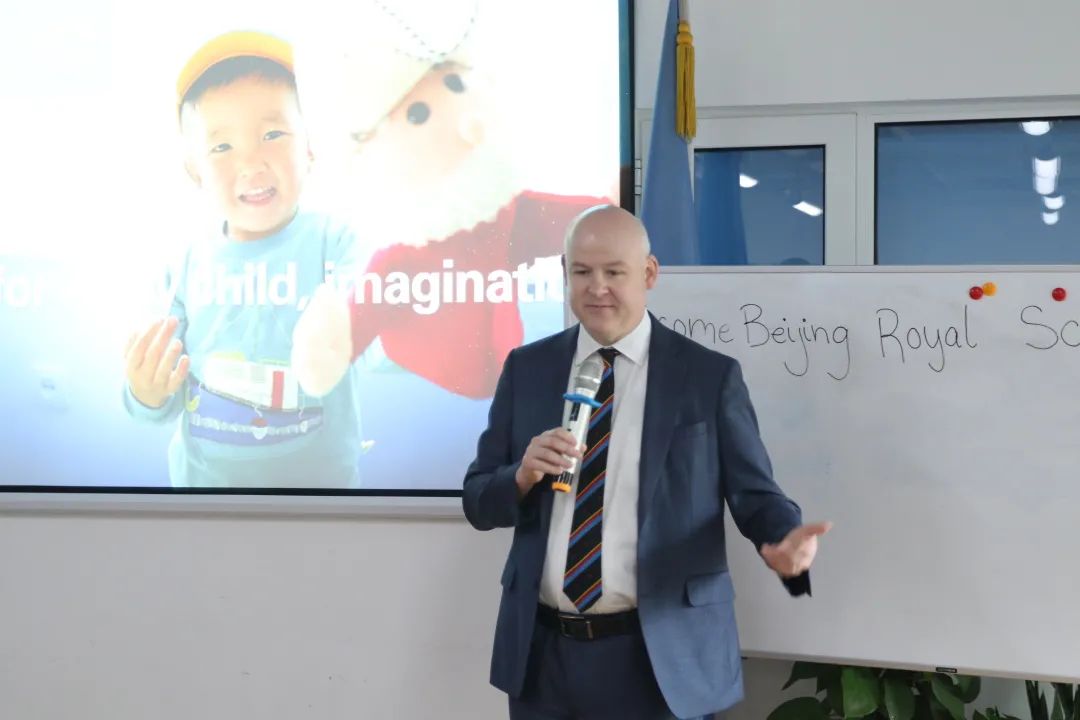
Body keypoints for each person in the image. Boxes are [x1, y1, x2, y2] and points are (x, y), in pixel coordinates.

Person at [462, 205, 832, 719]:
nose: (597, 288)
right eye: (582, 271)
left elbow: (756, 495)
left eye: (614, 272)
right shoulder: (529, 369)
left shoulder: (708, 377)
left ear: (649, 273)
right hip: (542, 658)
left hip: (660, 658)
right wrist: (521, 477)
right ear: (564, 272)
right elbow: (479, 501)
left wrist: (785, 537)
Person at [289, 0, 612, 401]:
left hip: (508, 386)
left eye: (456, 84)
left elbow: (559, 220)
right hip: (421, 395)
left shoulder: (504, 213)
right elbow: (360, 316)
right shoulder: (402, 256)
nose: (465, 120)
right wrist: (333, 346)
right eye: (418, 113)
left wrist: (605, 210)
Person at [122, 30, 365, 488]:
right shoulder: (183, 265)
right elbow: (155, 405)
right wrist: (146, 391)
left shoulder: (336, 242)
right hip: (205, 502)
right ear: (194, 169)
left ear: (310, 147)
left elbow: (373, 335)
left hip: (324, 503)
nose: (251, 163)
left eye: (273, 134)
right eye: (221, 146)